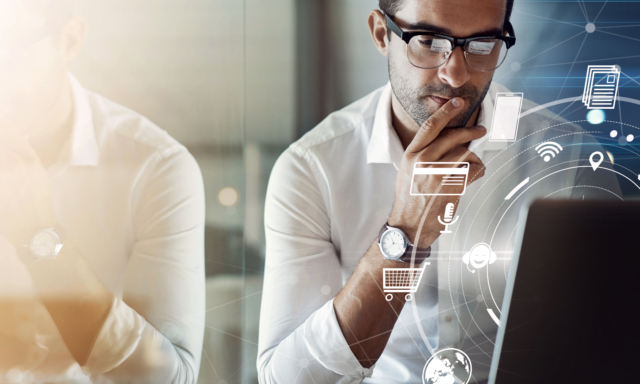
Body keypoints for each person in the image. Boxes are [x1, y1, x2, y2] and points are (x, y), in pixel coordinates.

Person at [258, 0, 620, 383]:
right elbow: (287, 377)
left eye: (482, 44)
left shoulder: (569, 156)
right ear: (382, 34)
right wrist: (404, 234)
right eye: (428, 40)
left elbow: (609, 345)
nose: (455, 72)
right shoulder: (312, 169)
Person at [0, 1, 205, 382]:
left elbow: (171, 378)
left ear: (69, 39)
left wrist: (38, 233)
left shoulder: (155, 168)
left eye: (8, 45)